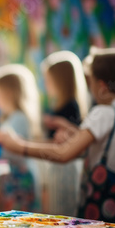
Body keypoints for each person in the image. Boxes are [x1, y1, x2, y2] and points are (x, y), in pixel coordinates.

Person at [0, 47, 115, 225]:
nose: (89, 88)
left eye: (91, 82)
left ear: (102, 87)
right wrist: (73, 132)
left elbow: (63, 154)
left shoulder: (103, 113)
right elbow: (105, 148)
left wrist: (19, 146)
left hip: (103, 198)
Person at [0, 64, 42, 212]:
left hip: (20, 179)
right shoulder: (10, 119)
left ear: (9, 94)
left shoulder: (19, 118)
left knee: (20, 216)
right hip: (13, 177)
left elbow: (11, 150)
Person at [40, 50, 90, 216]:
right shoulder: (59, 108)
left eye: (49, 80)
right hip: (56, 169)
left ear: (60, 81)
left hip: (64, 171)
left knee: (62, 214)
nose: (46, 85)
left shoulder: (70, 108)